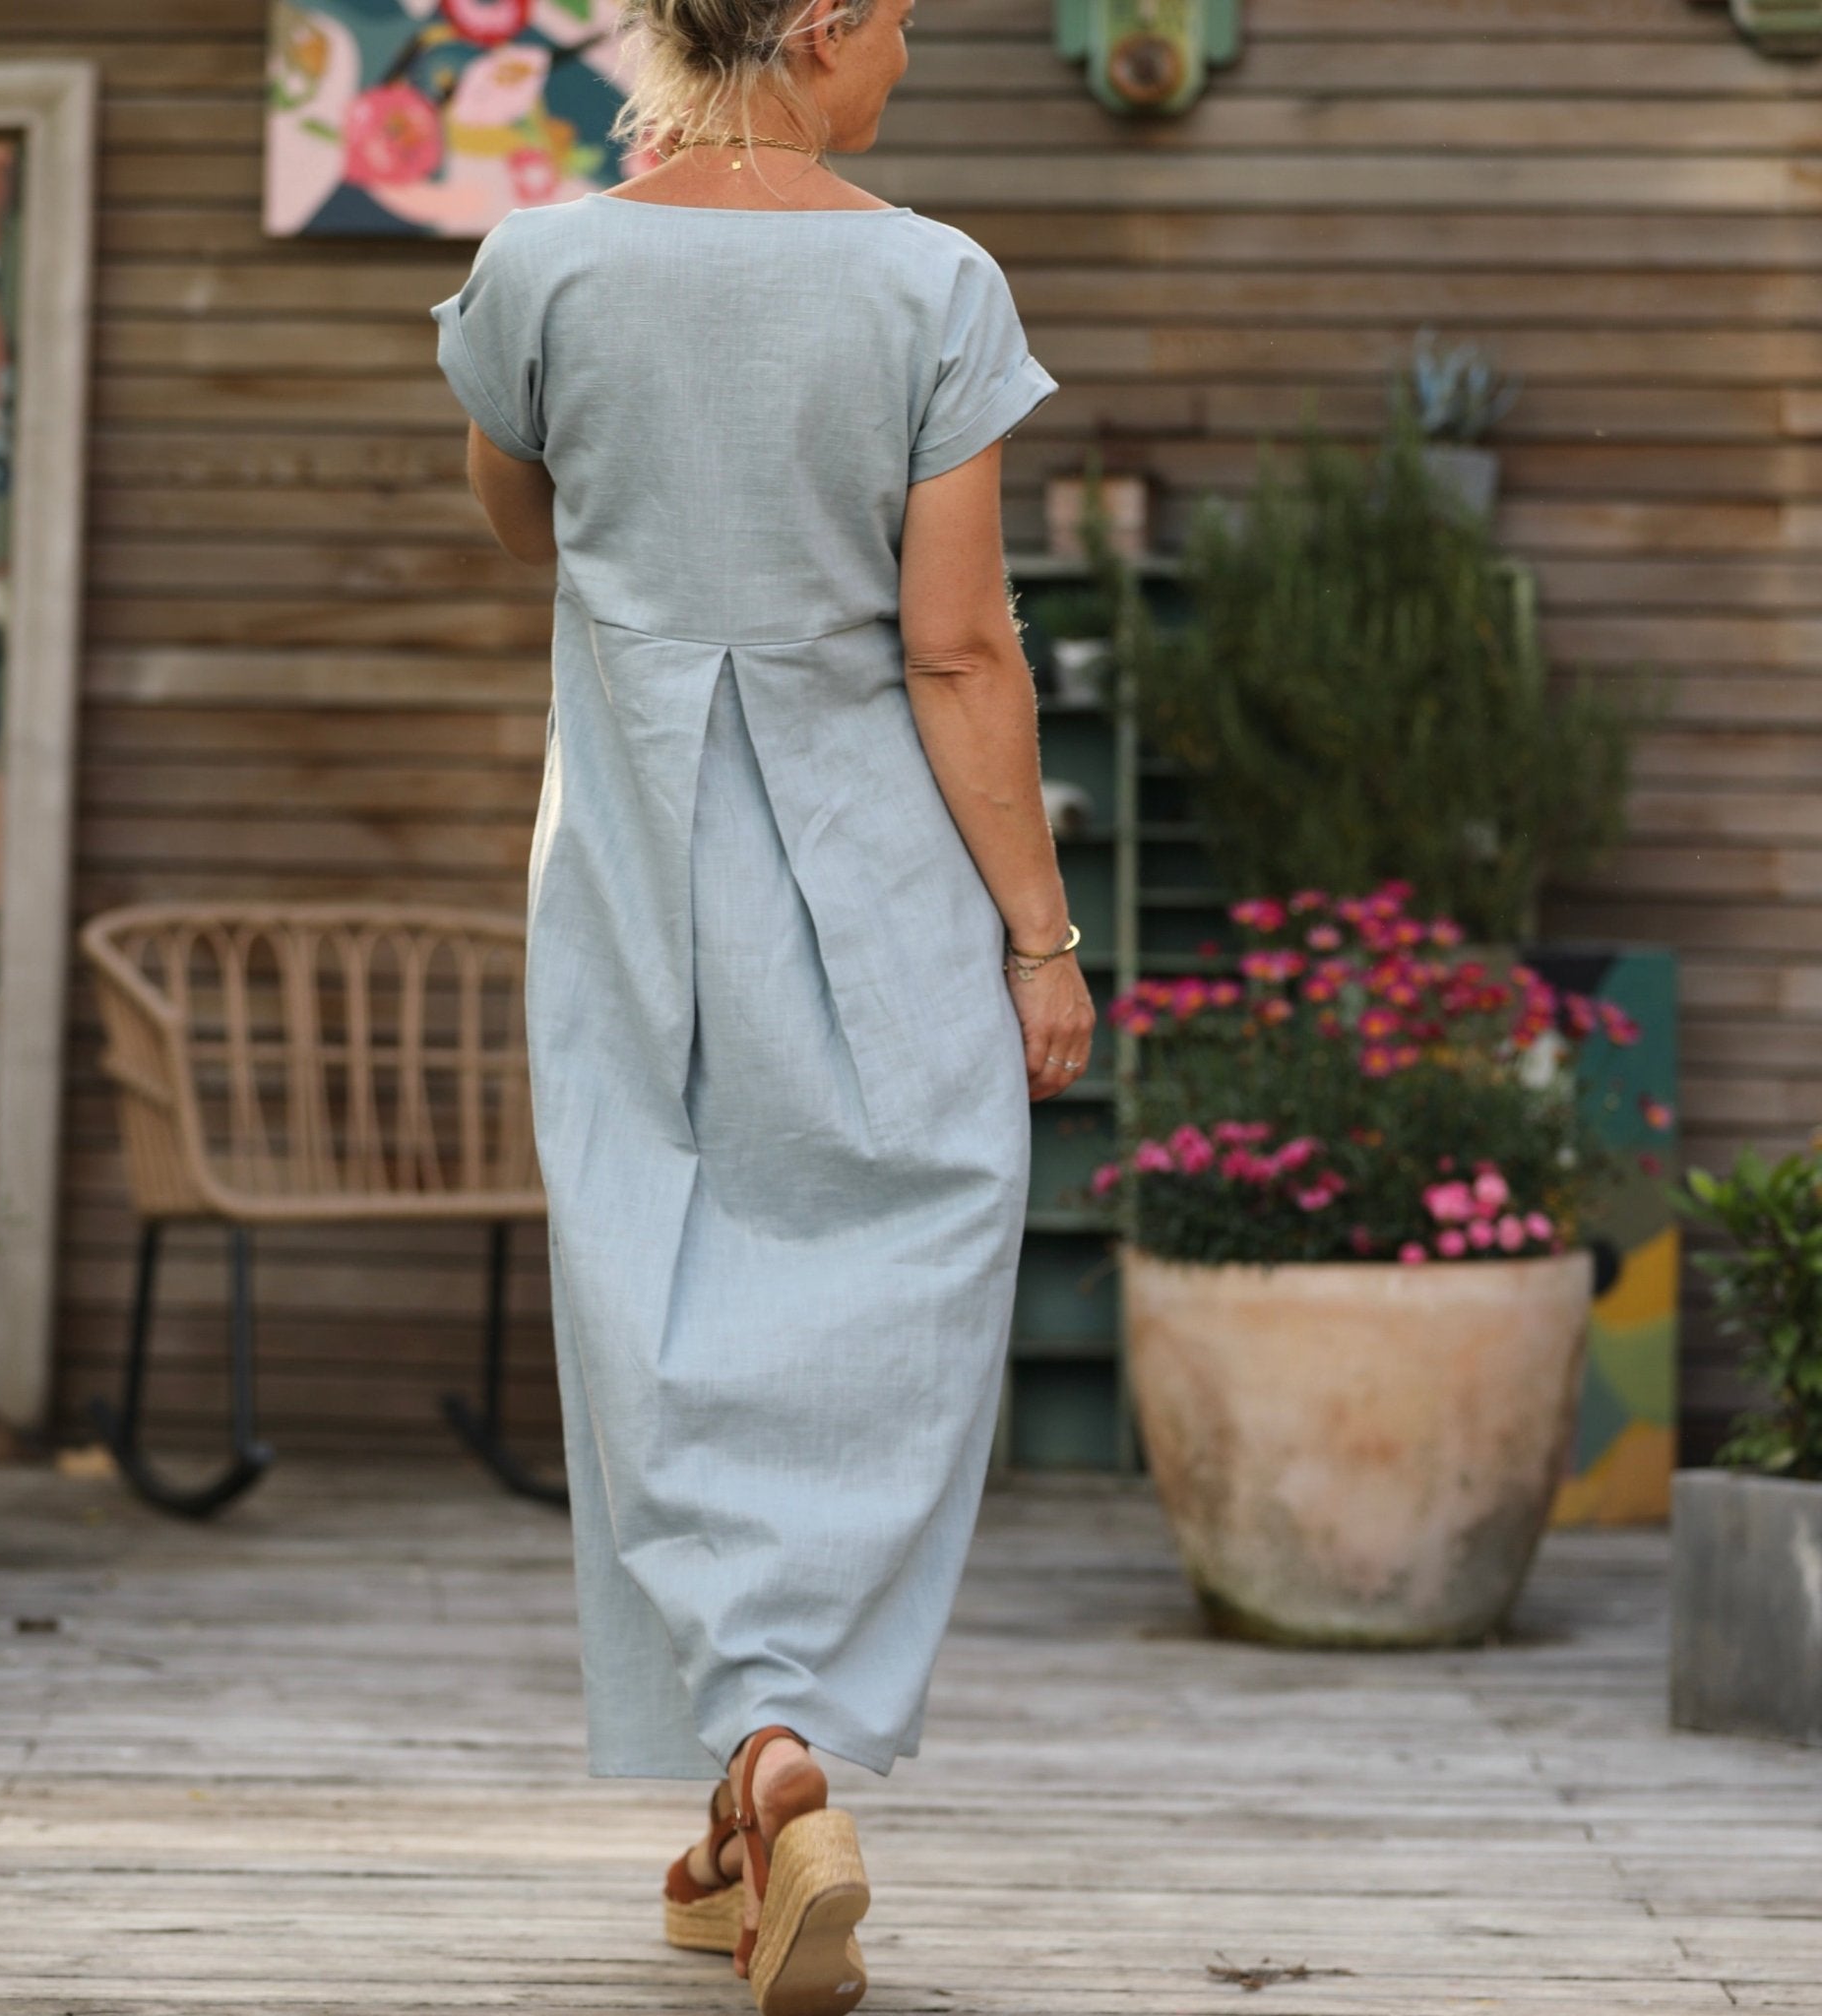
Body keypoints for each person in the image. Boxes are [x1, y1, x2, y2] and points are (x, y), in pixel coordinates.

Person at [430, 0, 1095, 2004]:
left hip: (634, 861)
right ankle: (788, 1735)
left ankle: (752, 1780)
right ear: (814, 26)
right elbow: (958, 649)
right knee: (904, 1260)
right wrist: (1041, 939)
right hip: (874, 874)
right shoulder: (931, 281)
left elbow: (521, 516)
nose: (908, 51)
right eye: (895, 18)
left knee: (652, 1278)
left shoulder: (541, 264)